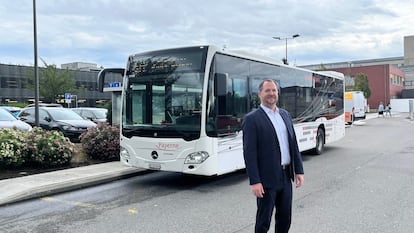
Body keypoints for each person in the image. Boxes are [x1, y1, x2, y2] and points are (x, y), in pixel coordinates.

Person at [242, 79, 304, 233]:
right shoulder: (252, 119)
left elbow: (293, 144)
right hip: (266, 179)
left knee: (285, 218)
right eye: (267, 90)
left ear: (278, 93)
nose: (271, 94)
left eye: (274, 90)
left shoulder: (285, 115)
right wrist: (255, 181)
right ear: (260, 94)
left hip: (285, 176)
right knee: (264, 220)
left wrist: (299, 170)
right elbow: (249, 153)